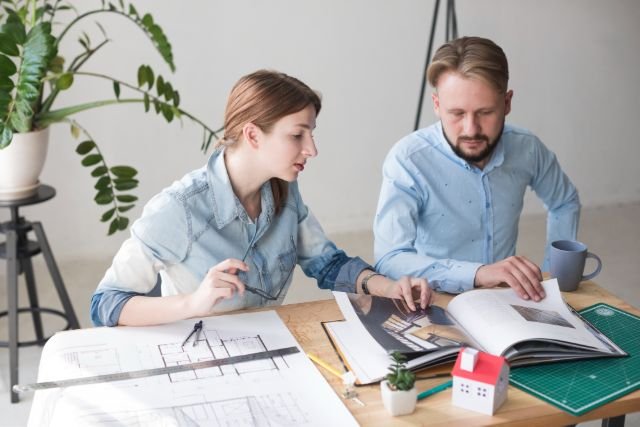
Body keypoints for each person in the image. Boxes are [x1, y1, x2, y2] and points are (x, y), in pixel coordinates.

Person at [91, 70, 433, 327]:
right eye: (297, 135)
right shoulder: (178, 209)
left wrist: (385, 287)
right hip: (195, 357)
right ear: (252, 134)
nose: (311, 149)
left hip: (266, 344)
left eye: (311, 134)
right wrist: (193, 302)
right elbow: (105, 303)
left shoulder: (284, 190)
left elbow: (326, 263)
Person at [374, 36, 580, 302]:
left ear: (506, 103)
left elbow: (564, 201)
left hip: (506, 300)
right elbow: (389, 258)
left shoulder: (527, 148)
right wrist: (479, 273)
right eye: (457, 113)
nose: (471, 129)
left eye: (485, 112)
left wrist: (555, 274)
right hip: (434, 299)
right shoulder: (408, 159)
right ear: (437, 105)